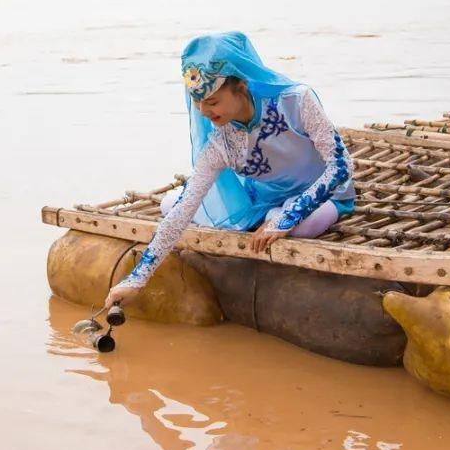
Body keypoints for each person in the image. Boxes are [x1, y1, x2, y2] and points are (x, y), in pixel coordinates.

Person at [105, 31, 356, 307]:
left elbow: (342, 166)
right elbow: (184, 209)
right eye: (197, 102)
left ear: (242, 87)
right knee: (171, 206)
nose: (203, 111)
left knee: (302, 226)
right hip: (263, 199)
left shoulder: (296, 101)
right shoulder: (219, 144)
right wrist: (137, 280)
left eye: (212, 102)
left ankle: (278, 217)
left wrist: (287, 219)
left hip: (323, 193)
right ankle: (269, 217)